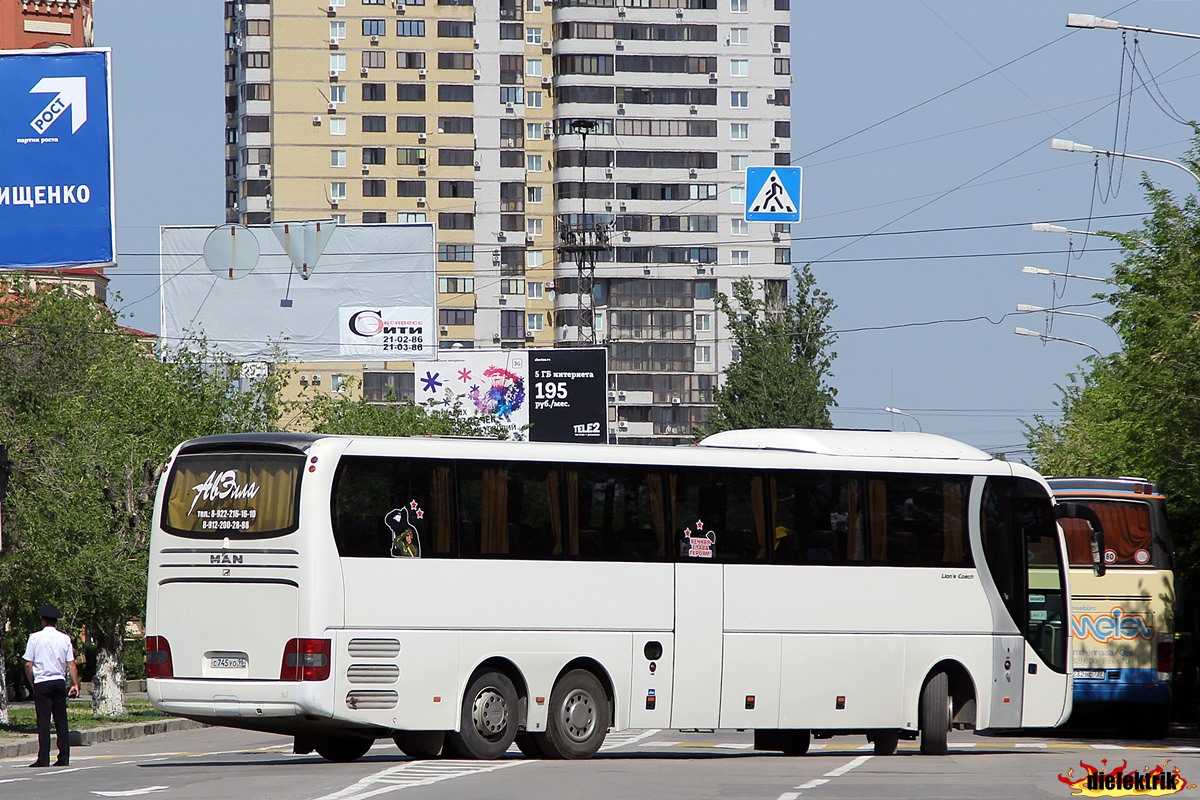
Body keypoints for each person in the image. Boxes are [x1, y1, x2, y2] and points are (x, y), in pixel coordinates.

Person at [23, 604, 80, 768]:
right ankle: (64, 757)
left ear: (42, 620)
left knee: (44, 721)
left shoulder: (34, 638)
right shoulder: (65, 638)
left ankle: (43, 758)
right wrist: (75, 684)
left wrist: (32, 682)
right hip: (59, 682)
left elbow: (28, 664)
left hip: (42, 682)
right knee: (61, 720)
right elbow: (71, 664)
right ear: (56, 622)